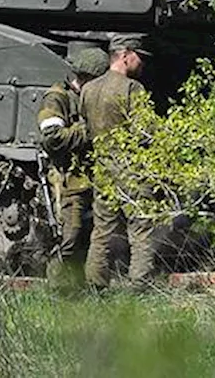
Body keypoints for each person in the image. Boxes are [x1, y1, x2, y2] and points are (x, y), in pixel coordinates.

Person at [80, 33, 154, 290]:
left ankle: (95, 284)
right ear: (125, 55)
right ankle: (140, 285)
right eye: (139, 57)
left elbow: (86, 131)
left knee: (101, 230)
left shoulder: (88, 89)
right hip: (130, 169)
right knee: (141, 227)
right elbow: (147, 133)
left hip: (103, 169)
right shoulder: (133, 89)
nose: (142, 63)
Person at [37, 46, 109, 287]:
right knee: (70, 235)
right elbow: (52, 138)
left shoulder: (89, 97)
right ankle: (57, 286)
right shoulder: (58, 97)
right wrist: (89, 132)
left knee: (88, 237)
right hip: (68, 179)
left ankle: (77, 288)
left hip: (89, 177)